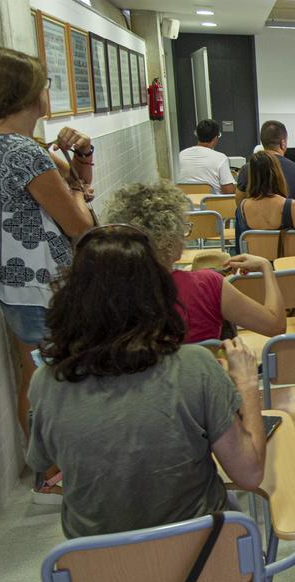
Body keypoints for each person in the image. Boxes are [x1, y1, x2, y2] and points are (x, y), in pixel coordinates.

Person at [27, 226, 267, 538]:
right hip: (201, 566)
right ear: (158, 293)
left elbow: (46, 465)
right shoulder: (195, 366)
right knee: (235, 505)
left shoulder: (46, 381)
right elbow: (249, 473)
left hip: (98, 575)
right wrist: (247, 386)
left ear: (71, 296)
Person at [0, 47, 96, 503]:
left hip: (17, 282)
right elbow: (80, 223)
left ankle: (48, 468)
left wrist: (81, 155)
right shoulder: (26, 154)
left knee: (36, 373)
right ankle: (49, 474)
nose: (49, 93)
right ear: (29, 92)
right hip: (40, 284)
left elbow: (77, 183)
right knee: (46, 378)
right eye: (45, 84)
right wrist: (79, 187)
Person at [104, 181, 286, 344]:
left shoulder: (107, 294)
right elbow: (275, 325)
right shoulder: (208, 284)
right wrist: (266, 267)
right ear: (169, 237)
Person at [235, 152, 295, 255]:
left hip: (256, 268)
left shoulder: (243, 207)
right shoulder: (291, 206)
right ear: (277, 173)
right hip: (288, 267)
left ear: (250, 176)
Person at [235, 120, 295, 207]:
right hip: (289, 219)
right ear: (283, 143)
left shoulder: (246, 169)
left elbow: (239, 204)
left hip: (256, 219)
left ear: (263, 142)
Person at [177, 118, 236, 194]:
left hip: (187, 204)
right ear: (215, 138)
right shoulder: (220, 158)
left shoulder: (182, 154)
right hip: (212, 205)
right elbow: (229, 191)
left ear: (197, 135)